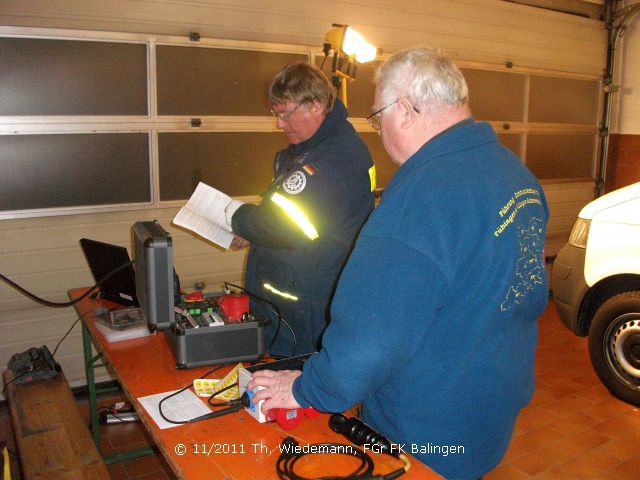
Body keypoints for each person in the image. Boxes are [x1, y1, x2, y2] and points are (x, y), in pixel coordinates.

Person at [248, 48, 549, 480]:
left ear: (405, 110)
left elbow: (373, 335)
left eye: (378, 117)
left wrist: (305, 387)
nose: (379, 131)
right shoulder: (515, 175)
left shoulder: (420, 196)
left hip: (425, 425)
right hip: (492, 404)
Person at [226, 63, 375, 357]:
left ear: (316, 105)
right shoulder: (305, 150)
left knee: (295, 388)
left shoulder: (338, 158)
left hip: (307, 309)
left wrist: (237, 217)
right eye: (275, 114)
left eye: (285, 114)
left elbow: (288, 227)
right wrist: (254, 232)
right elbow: (287, 209)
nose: (279, 124)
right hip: (285, 299)